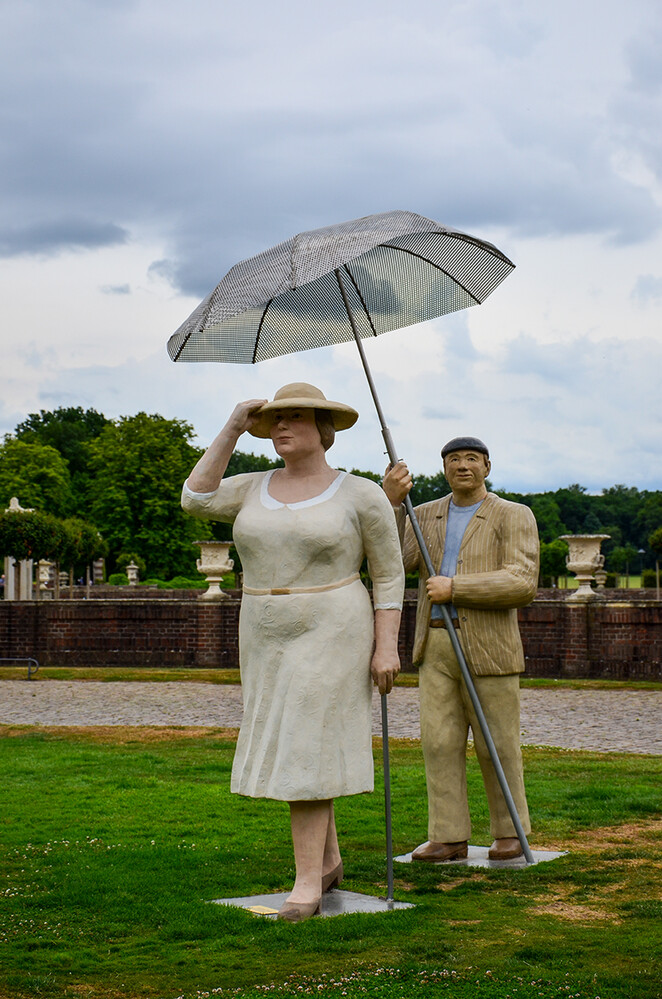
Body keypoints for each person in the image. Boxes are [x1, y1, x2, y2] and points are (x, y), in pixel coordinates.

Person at [182, 383, 404, 921]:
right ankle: (328, 861)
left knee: (306, 742)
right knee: (293, 738)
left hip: (332, 623)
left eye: (297, 418)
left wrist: (387, 647)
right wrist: (234, 425)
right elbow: (194, 498)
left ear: (323, 430)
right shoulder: (253, 486)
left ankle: (306, 881)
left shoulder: (359, 494)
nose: (283, 427)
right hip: (262, 626)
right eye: (275, 419)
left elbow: (389, 573)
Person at [383, 436, 539, 862]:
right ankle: (448, 835)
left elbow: (522, 581)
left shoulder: (513, 515)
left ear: (488, 466)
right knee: (438, 742)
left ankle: (510, 831)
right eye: (453, 460)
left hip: (488, 646)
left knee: (498, 743)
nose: (462, 466)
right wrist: (393, 505)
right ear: (444, 468)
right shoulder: (425, 513)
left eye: (472, 459)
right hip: (435, 643)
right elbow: (395, 562)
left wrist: (457, 588)